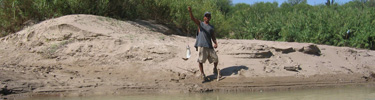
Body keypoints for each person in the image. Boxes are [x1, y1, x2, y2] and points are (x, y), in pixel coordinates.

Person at [188, 6, 219, 82]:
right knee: (201, 61)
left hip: (209, 46)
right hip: (202, 45)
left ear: (210, 18)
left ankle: (215, 68)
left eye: (209, 16)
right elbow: (193, 19)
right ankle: (202, 74)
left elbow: (213, 36)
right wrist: (190, 11)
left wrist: (215, 43)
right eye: (206, 16)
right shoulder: (200, 24)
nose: (207, 17)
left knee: (216, 59)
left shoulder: (211, 27)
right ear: (204, 17)